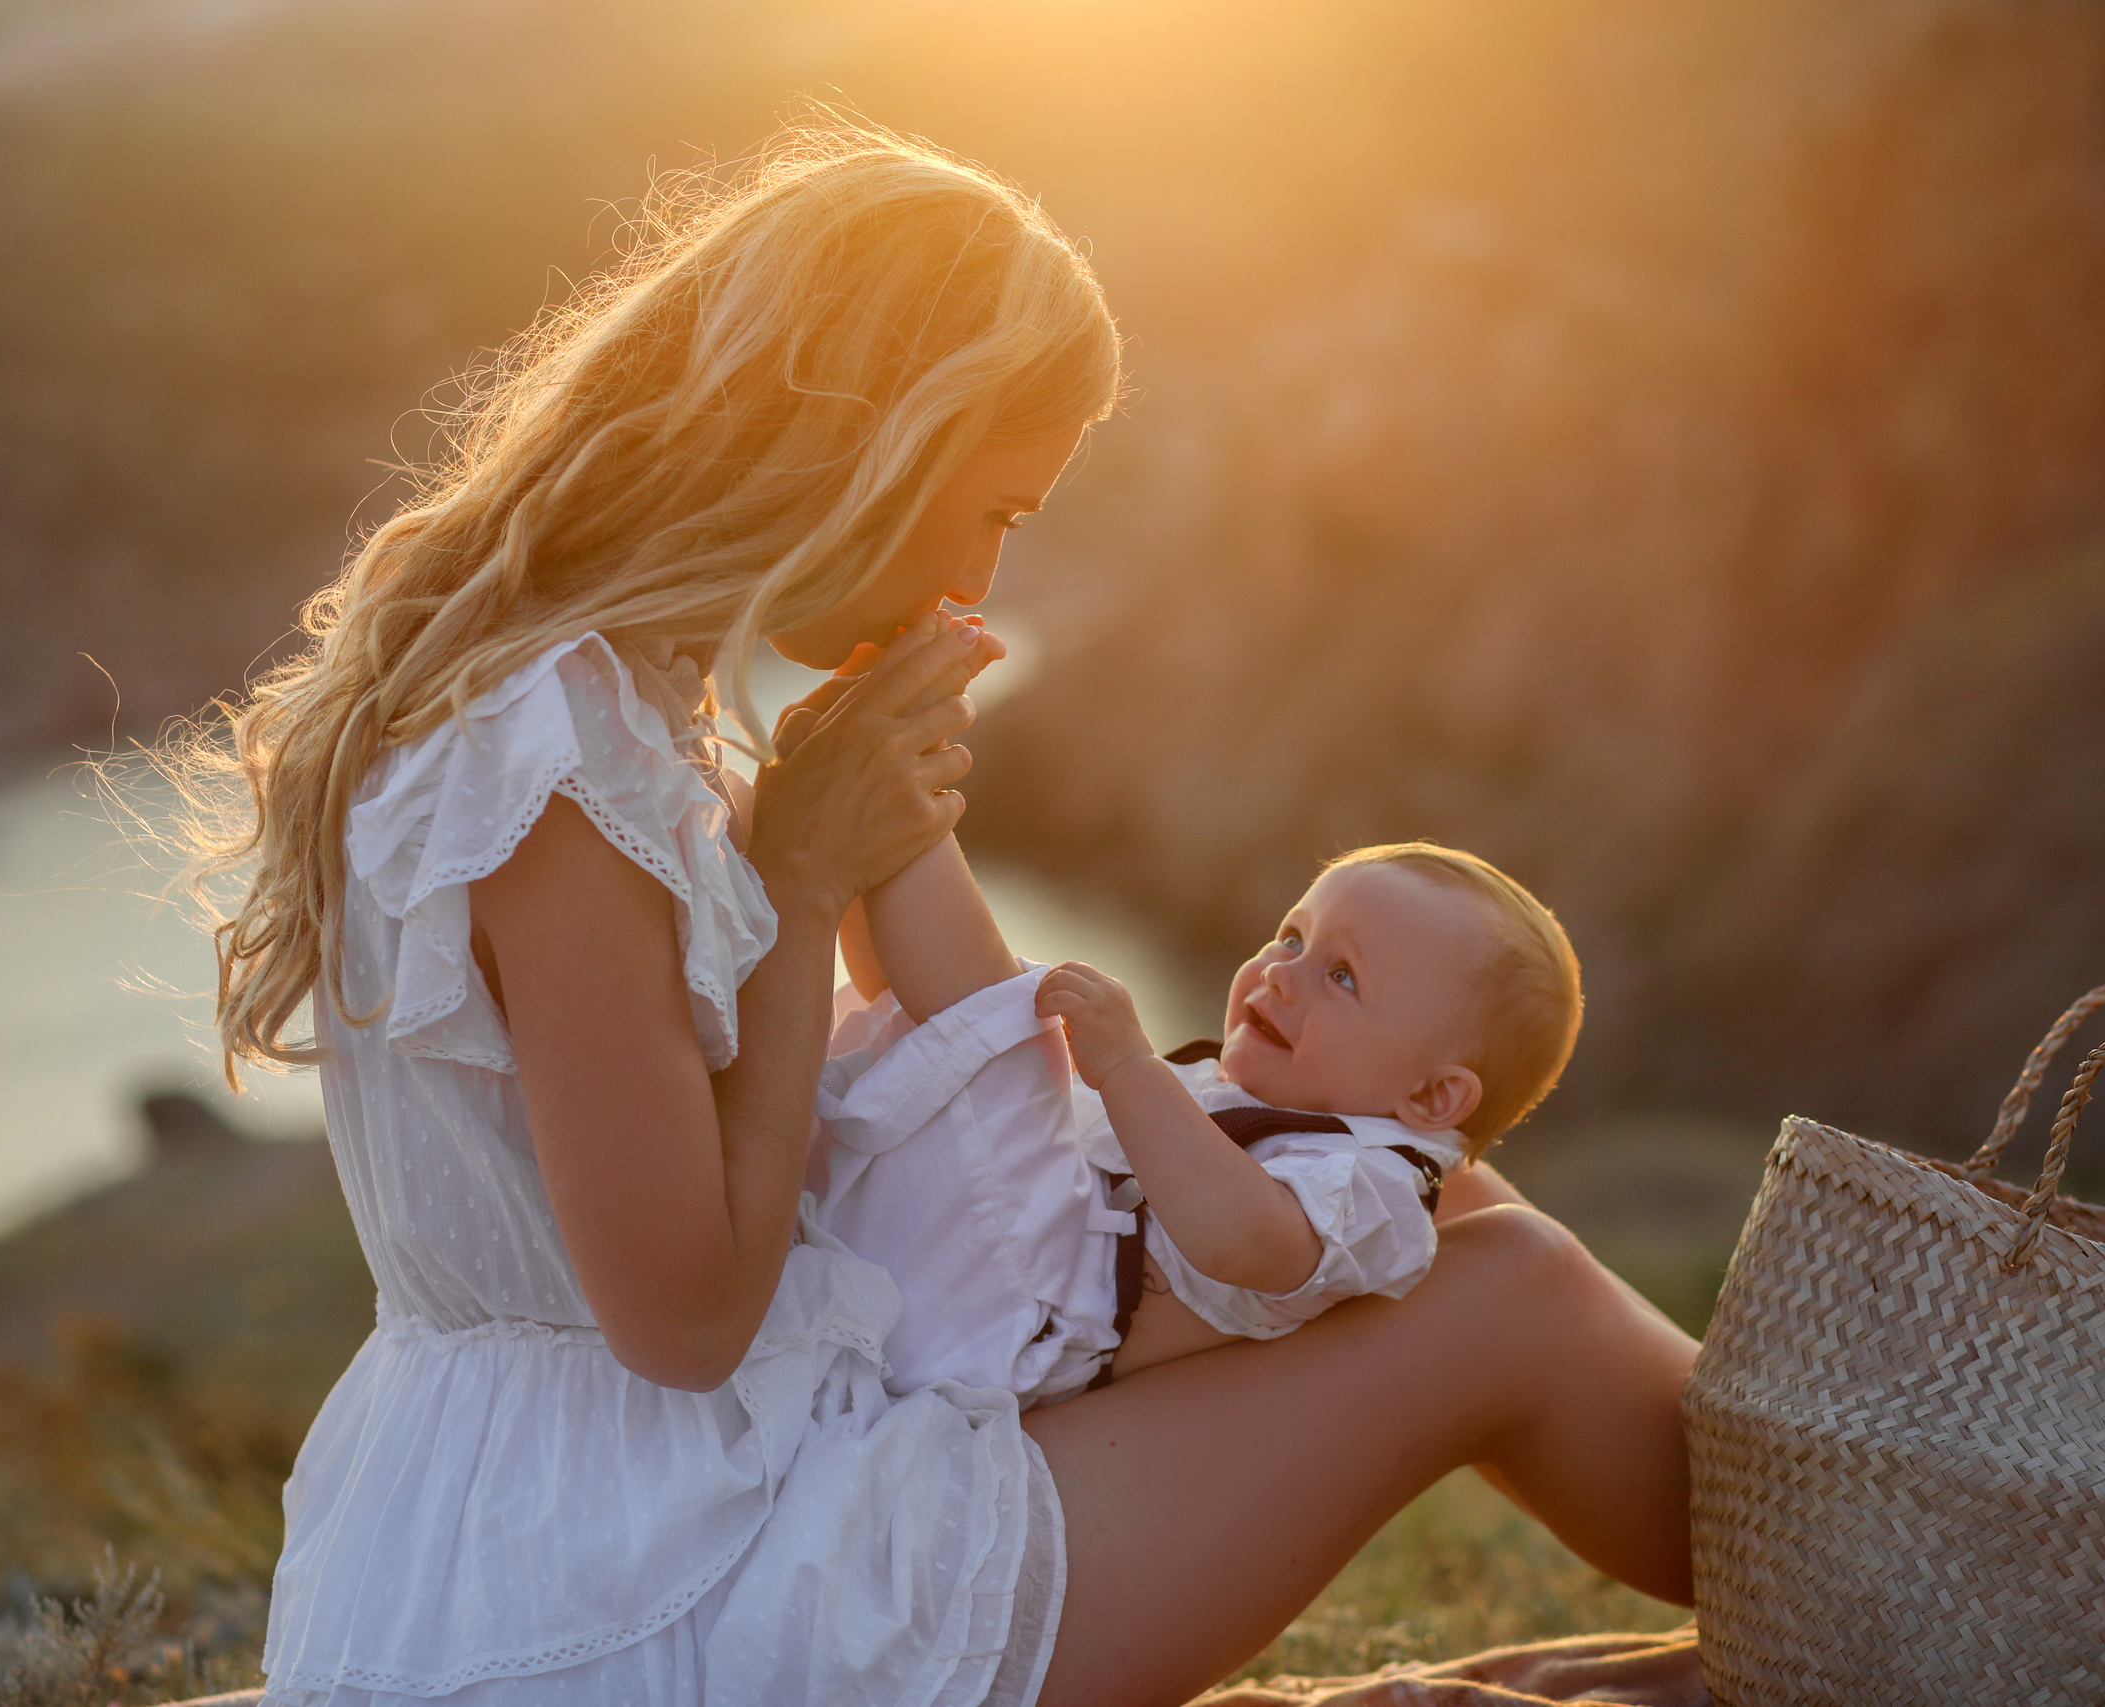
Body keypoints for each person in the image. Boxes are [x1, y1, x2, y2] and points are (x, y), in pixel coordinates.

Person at [183, 125, 1697, 1707]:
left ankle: (1874, 1554)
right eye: (998, 510)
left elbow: (908, 1088)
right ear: (874, 446)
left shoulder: (597, 700)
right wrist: (797, 881)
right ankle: (1899, 1566)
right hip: (672, 1577)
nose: (984, 568)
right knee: (1505, 1292)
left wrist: (845, 845)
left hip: (625, 1507)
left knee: (1416, 1184)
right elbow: (685, 1318)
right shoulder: (557, 771)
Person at [808, 834, 1578, 1404]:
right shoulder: (1259, 1092)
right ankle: (859, 832)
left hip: (1016, 1308)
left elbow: (1244, 1240)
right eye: (1292, 936)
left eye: (1341, 975)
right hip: (994, 1251)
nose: (1279, 972)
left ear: (1433, 1099)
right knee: (938, 1017)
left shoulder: (1375, 1187)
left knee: (996, 1014)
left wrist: (1131, 1069)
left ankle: (890, 806)